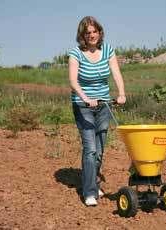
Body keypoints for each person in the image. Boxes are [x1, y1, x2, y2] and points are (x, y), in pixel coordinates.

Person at [68, 16, 126, 206]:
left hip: (104, 105)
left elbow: (116, 72)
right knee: (90, 149)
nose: (92, 35)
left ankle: (91, 181)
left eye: (95, 31)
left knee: (100, 151)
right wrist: (86, 99)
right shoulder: (75, 53)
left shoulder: (108, 50)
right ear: (82, 35)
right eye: (88, 33)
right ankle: (89, 192)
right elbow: (73, 81)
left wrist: (122, 93)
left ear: (99, 32)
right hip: (83, 106)